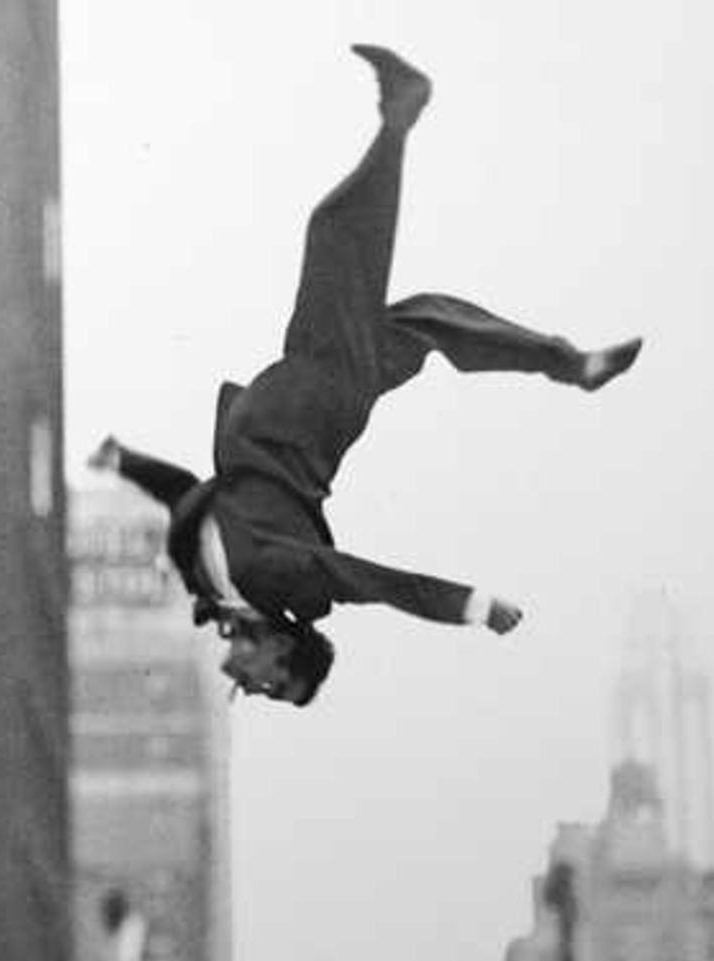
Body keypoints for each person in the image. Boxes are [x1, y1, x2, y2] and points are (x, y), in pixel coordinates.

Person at [88, 44, 642, 706]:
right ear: (283, 652)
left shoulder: (208, 584)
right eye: (274, 686)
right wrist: (472, 604)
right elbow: (368, 581)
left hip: (304, 400)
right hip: (312, 404)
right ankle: (403, 109)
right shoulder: (287, 581)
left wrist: (124, 462)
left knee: (426, 320)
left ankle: (572, 364)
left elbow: (185, 491)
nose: (253, 686)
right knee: (337, 234)